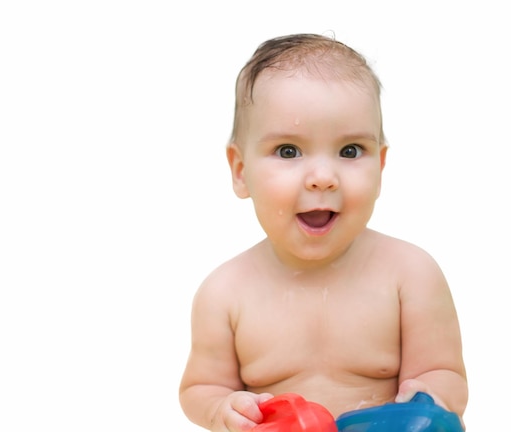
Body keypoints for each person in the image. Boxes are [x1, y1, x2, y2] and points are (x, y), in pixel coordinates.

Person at [178, 33, 468, 432]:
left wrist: (432, 399)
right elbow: (201, 387)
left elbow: (444, 372)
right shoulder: (225, 292)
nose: (322, 178)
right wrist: (222, 409)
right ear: (240, 171)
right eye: (288, 151)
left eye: (350, 150)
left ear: (380, 168)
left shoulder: (411, 274)